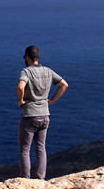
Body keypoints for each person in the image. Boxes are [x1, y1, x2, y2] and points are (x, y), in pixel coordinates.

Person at [17, 45, 68, 179]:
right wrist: (51, 101)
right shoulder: (48, 71)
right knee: (40, 149)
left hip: (29, 116)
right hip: (44, 115)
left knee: (24, 150)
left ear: (27, 57)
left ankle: (25, 180)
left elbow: (20, 86)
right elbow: (64, 84)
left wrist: (21, 101)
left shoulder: (26, 72)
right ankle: (40, 179)